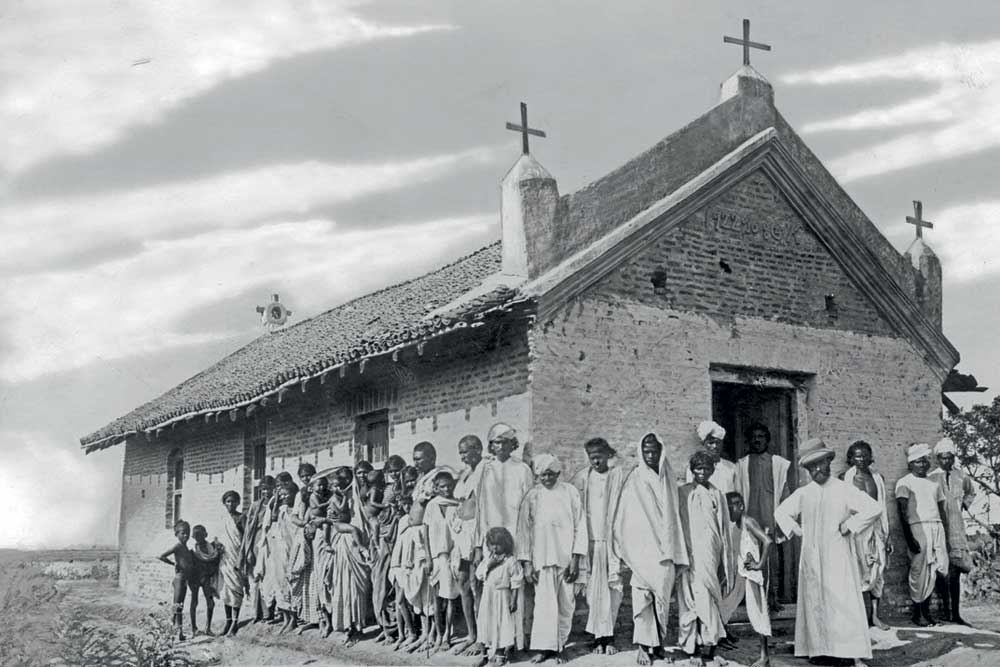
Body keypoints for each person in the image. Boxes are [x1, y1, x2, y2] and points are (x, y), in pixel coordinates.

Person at [774, 438, 881, 667]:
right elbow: (781, 513)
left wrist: (850, 525)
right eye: (811, 467)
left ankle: (845, 652)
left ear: (829, 462)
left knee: (841, 602)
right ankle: (819, 649)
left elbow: (874, 508)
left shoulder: (843, 489)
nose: (816, 470)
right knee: (815, 601)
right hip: (812, 556)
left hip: (838, 555)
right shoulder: (805, 493)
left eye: (819, 464)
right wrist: (796, 530)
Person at [612, 433, 689, 666]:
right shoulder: (634, 478)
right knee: (642, 598)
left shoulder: (668, 476)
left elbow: (673, 515)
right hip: (642, 550)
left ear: (661, 450)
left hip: (665, 550)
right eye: (646, 451)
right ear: (641, 452)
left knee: (662, 599)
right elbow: (625, 516)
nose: (651, 455)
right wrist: (633, 545)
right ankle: (643, 646)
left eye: (654, 451)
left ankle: (659, 645)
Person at [517, 453, 587, 665]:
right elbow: (523, 531)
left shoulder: (570, 492)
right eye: (542, 475)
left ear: (558, 473)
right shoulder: (532, 496)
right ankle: (545, 648)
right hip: (542, 558)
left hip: (566, 559)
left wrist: (575, 560)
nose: (546, 478)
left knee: (566, 604)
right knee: (544, 606)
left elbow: (580, 526)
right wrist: (527, 562)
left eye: (550, 474)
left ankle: (560, 646)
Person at [569, 437, 628, 655]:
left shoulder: (617, 476)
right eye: (591, 458)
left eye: (599, 457)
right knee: (593, 591)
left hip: (612, 542)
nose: (595, 462)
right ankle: (597, 637)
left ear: (607, 455)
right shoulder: (583, 478)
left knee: (613, 590)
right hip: (590, 542)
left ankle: (609, 636)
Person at [677, 452, 736, 667]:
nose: (702, 472)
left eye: (706, 469)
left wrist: (724, 558)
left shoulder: (717, 494)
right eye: (698, 468)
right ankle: (693, 649)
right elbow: (677, 523)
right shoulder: (682, 492)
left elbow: (724, 528)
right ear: (692, 470)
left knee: (709, 598)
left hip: (710, 552)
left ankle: (710, 649)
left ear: (712, 470)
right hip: (689, 553)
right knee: (692, 599)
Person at [735, 422, 792, 612]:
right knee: (749, 556)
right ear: (748, 441)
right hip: (750, 519)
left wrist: (783, 519)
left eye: (761, 437)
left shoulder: (777, 464)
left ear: (767, 439)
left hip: (770, 517)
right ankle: (752, 600)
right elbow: (736, 492)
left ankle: (772, 597)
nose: (757, 440)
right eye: (753, 437)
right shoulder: (741, 465)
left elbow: (784, 493)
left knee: (770, 560)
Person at [895, 442, 950, 627]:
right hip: (917, 528)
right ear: (910, 464)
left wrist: (946, 536)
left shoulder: (934, 484)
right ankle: (917, 613)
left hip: (936, 527)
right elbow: (901, 512)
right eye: (918, 462)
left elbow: (942, 511)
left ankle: (926, 612)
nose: (922, 465)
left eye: (925, 461)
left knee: (935, 569)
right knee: (919, 571)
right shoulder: (904, 483)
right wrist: (910, 538)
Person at [839, 441, 891, 630]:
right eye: (856, 456)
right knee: (857, 572)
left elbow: (883, 508)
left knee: (878, 572)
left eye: (864, 455)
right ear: (850, 459)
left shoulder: (878, 478)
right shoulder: (844, 479)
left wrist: (888, 535)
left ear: (871, 457)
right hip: (856, 532)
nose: (861, 459)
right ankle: (858, 617)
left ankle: (875, 616)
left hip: (876, 531)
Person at [320, 466, 372, 645]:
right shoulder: (340, 497)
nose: (341, 484)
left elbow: (359, 521)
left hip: (353, 543)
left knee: (355, 588)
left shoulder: (356, 497)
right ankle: (348, 626)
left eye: (344, 480)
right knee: (342, 585)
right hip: (342, 543)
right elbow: (333, 518)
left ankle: (357, 627)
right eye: (339, 481)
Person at [474, 424, 535, 570]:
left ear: (512, 444)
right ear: (491, 445)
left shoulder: (522, 469)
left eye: (505, 442)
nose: (501, 446)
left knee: (515, 576)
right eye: (497, 442)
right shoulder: (485, 469)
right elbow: (480, 508)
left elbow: (529, 507)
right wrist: (477, 545)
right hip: (492, 531)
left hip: (516, 531)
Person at [930, 437, 976, 625]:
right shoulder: (932, 477)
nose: (946, 461)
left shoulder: (961, 476)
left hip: (956, 525)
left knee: (956, 570)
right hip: (939, 524)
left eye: (950, 458)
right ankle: (944, 612)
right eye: (943, 458)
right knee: (942, 568)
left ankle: (955, 614)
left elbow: (971, 492)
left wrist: (963, 506)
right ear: (938, 458)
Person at [726, 492, 772, 667]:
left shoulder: (748, 521)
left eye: (733, 507)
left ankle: (764, 656)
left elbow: (767, 541)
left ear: (741, 506)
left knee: (758, 613)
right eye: (728, 508)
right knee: (726, 605)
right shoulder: (735, 524)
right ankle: (714, 645)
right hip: (742, 572)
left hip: (752, 574)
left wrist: (759, 565)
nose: (730, 511)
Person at [452, 434, 486, 655]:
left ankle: (483, 637)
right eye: (461, 451)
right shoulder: (465, 473)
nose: (463, 455)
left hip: (477, 531)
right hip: (461, 531)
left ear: (478, 449)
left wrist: (480, 544)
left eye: (466, 451)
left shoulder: (485, 469)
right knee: (462, 583)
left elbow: (485, 504)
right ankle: (471, 634)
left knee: (478, 585)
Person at [475, 527, 525, 667]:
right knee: (485, 624)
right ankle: (484, 655)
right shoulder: (488, 559)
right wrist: (490, 565)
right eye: (492, 544)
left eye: (498, 544)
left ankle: (500, 655)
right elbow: (479, 575)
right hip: (488, 596)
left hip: (502, 596)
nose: (495, 548)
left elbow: (516, 580)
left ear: (506, 544)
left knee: (501, 625)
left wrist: (514, 600)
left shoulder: (510, 560)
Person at [241, 475, 276, 623]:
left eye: (268, 489)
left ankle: (270, 613)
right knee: (256, 578)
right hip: (257, 544)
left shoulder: (277, 504)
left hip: (272, 544)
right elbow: (249, 530)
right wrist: (248, 551)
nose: (266, 492)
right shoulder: (256, 506)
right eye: (263, 490)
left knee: (271, 578)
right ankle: (257, 613)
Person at [158, 519, 195, 641]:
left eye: (187, 533)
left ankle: (179, 632)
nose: (186, 535)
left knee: (180, 606)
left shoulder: (186, 548)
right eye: (183, 533)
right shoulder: (178, 546)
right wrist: (173, 563)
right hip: (179, 579)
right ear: (177, 534)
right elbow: (161, 556)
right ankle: (168, 633)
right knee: (176, 606)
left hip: (185, 579)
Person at [216, 490, 246, 636]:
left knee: (236, 588)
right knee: (226, 591)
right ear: (224, 503)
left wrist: (242, 557)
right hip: (224, 558)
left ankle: (235, 621)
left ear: (238, 502)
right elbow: (218, 537)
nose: (231, 504)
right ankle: (228, 620)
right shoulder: (222, 519)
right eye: (228, 501)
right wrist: (217, 545)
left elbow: (245, 539)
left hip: (236, 557)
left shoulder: (241, 518)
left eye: (233, 501)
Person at [687, 421, 738, 494]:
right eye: (711, 443)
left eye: (718, 443)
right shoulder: (695, 467)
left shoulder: (731, 467)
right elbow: (691, 491)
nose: (715, 446)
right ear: (704, 444)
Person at [190, 524, 222, 636]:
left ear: (205, 535)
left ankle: (208, 628)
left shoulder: (211, 548)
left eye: (201, 535)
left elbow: (214, 560)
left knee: (210, 602)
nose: (199, 538)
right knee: (194, 601)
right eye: (196, 536)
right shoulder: (193, 549)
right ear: (193, 537)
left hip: (206, 578)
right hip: (195, 578)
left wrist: (218, 552)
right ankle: (194, 628)